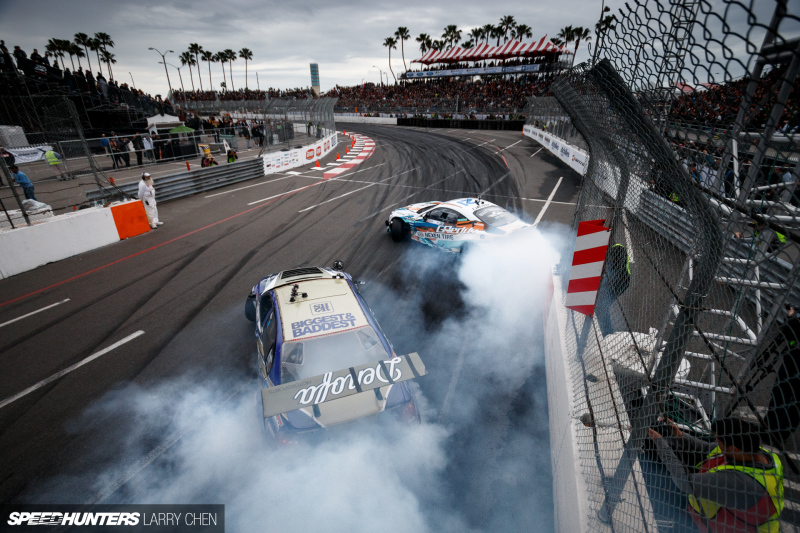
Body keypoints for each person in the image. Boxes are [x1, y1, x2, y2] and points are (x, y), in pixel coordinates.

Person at [650, 417, 784, 533]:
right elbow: (707, 448)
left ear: (733, 449)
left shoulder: (742, 482)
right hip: (707, 519)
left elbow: (684, 481)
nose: (717, 445)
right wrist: (678, 434)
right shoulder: (758, 453)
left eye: (719, 441)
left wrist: (659, 442)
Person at [595, 243, 630, 336]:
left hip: (620, 280)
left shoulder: (617, 248)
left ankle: (607, 333)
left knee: (602, 305)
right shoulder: (611, 251)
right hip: (615, 279)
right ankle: (606, 330)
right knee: (601, 304)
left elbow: (617, 269)